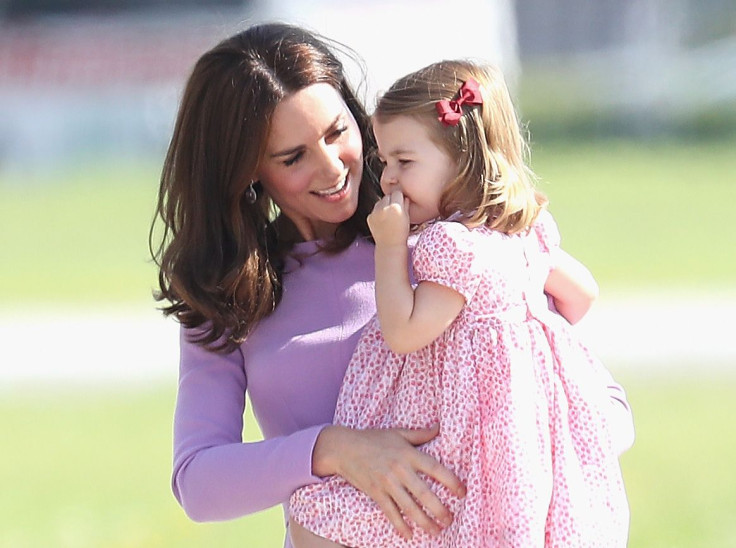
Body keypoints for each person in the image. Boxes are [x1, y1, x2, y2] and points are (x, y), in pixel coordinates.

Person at [150, 24, 634, 548]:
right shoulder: (229, 294)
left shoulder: (449, 238)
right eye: (294, 157)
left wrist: (501, 449)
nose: (333, 167)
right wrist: (335, 449)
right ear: (245, 171)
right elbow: (199, 483)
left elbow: (600, 399)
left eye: (338, 132)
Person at [288, 61, 631, 547]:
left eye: (404, 163)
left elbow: (405, 333)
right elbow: (582, 294)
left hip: (459, 436)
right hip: (515, 439)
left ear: (462, 158)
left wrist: (390, 246)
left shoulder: (450, 246)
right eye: (385, 161)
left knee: (323, 518)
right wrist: (531, 339)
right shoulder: (522, 231)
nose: (388, 180)